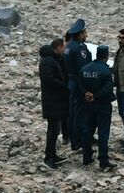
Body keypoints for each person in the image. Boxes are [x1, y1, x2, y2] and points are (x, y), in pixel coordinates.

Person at [79, 44, 116, 170]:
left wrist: (86, 93)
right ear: (106, 56)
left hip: (87, 104)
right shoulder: (106, 71)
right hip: (102, 105)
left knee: (88, 130)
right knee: (103, 132)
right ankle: (103, 160)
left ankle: (87, 156)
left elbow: (79, 84)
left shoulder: (85, 69)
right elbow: (108, 88)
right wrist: (96, 95)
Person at [38, 38, 69, 169]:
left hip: (56, 100)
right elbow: (48, 79)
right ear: (58, 47)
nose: (64, 50)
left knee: (55, 129)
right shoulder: (49, 62)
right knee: (53, 130)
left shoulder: (53, 59)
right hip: (52, 100)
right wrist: (64, 85)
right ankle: (48, 157)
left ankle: (52, 155)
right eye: (63, 48)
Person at [64, 20, 90, 153]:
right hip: (79, 84)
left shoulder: (68, 46)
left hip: (71, 81)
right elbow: (84, 69)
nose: (86, 35)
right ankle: (78, 141)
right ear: (80, 35)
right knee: (79, 113)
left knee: (73, 112)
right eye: (84, 32)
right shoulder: (79, 48)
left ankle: (75, 138)